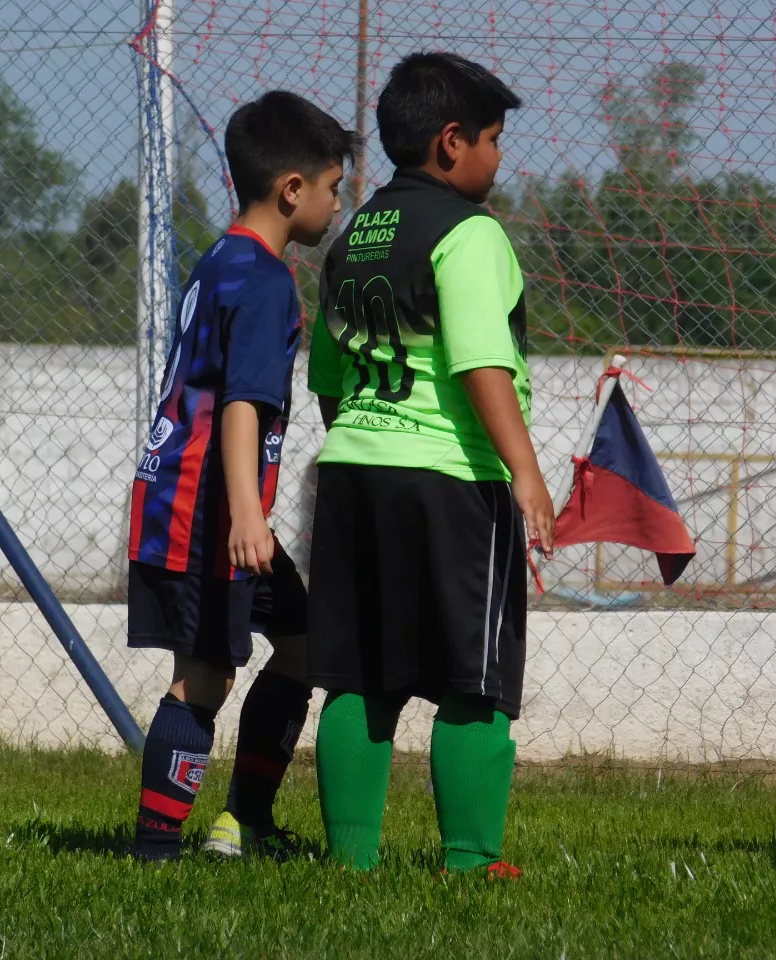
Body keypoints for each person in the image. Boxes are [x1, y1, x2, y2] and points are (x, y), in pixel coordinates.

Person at [306, 51, 553, 876]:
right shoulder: (470, 233)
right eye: (493, 137)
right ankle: (473, 858)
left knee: (358, 674)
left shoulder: (351, 238)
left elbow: (329, 383)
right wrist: (526, 472)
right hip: (450, 480)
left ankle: (349, 861)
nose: (499, 154)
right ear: (452, 143)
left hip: (351, 471)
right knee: (473, 678)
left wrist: (367, 442)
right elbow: (481, 364)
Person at [127, 91, 359, 862]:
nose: (336, 204)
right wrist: (247, 520)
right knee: (205, 675)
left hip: (197, 503)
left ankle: (246, 824)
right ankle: (157, 850)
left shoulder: (220, 259)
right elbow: (240, 408)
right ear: (293, 189)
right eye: (333, 187)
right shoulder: (263, 281)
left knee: (299, 643)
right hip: (212, 515)